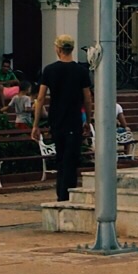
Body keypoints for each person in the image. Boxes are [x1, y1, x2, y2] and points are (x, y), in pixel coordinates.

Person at [30, 35, 94, 202]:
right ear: (71, 49)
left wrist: (35, 124)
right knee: (71, 158)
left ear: (58, 49)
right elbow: (87, 97)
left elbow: (41, 97)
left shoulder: (50, 70)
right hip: (74, 119)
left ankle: (61, 193)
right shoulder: (81, 71)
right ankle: (68, 192)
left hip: (56, 120)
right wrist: (88, 119)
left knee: (61, 157)